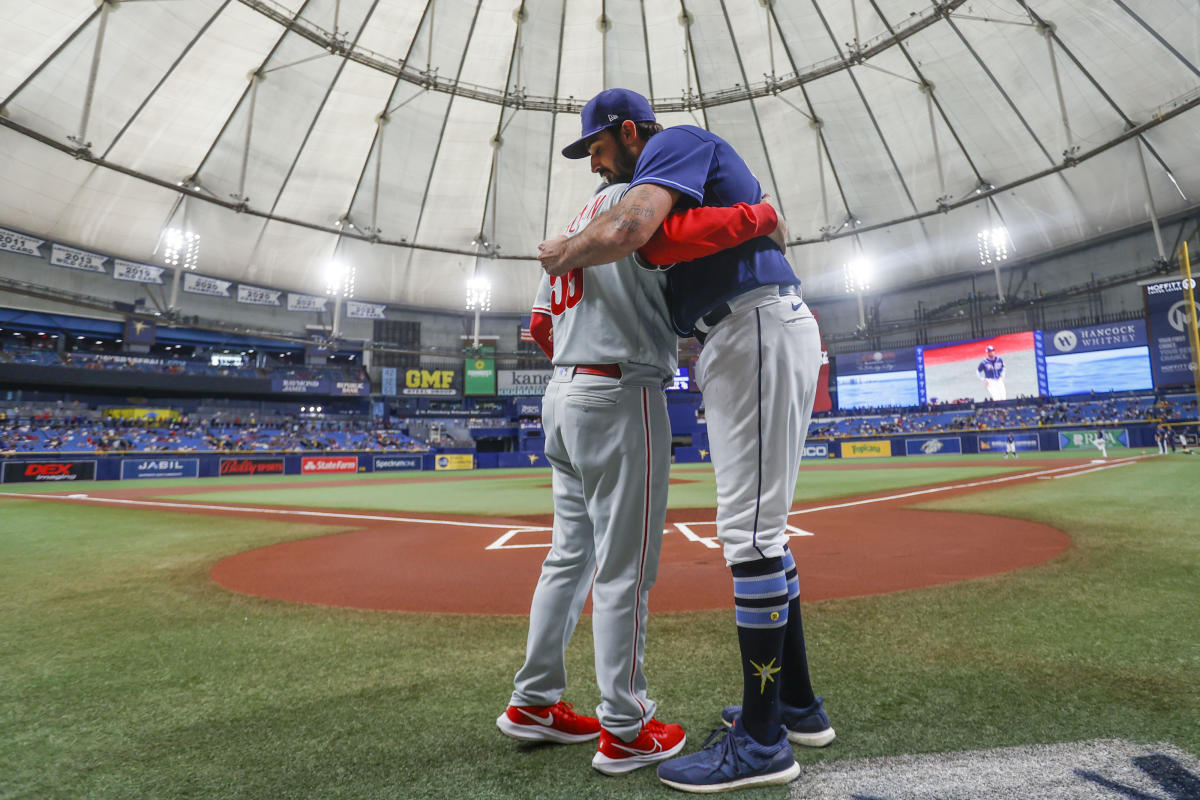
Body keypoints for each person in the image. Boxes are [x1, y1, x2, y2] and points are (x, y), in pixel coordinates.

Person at [538, 88, 829, 793]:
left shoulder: (672, 146)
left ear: (631, 132)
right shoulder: (668, 191)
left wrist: (561, 252)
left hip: (752, 325)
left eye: (599, 151)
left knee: (750, 536)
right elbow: (676, 239)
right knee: (763, 534)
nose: (596, 167)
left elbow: (631, 232)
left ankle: (763, 743)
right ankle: (794, 706)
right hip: (739, 331)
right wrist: (752, 220)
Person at [498, 173, 786, 777]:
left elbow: (540, 327)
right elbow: (689, 253)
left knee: (567, 557)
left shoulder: (577, 224)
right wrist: (759, 216)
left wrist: (583, 360)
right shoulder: (640, 208)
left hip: (562, 395)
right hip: (619, 391)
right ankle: (626, 728)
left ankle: (533, 702)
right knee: (624, 570)